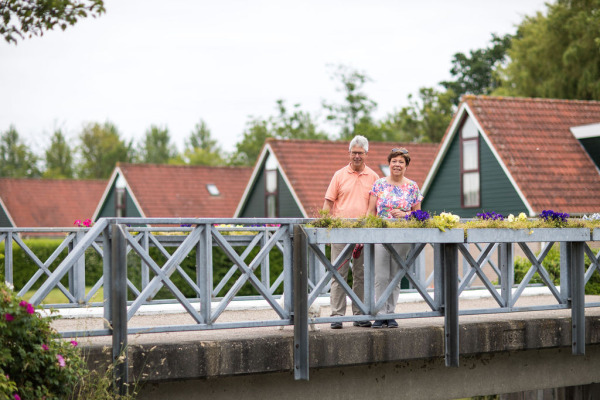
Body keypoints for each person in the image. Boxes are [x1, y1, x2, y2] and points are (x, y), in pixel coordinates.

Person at [323, 135, 379, 329]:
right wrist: (325, 229)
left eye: (360, 153)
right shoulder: (339, 175)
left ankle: (360, 315)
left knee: (361, 275)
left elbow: (378, 206)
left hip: (363, 233)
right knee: (338, 274)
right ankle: (336, 316)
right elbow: (328, 203)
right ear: (349, 153)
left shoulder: (374, 177)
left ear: (366, 154)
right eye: (354, 152)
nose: (357, 156)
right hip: (340, 231)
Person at [367, 147, 423, 328]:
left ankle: (390, 314)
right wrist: (368, 231)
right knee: (381, 275)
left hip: (402, 235)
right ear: (389, 164)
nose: (397, 165)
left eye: (401, 162)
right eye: (394, 161)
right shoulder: (379, 184)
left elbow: (418, 215)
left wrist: (405, 215)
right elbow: (370, 212)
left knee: (395, 275)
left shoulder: (412, 186)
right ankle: (379, 314)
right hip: (381, 234)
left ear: (406, 166)